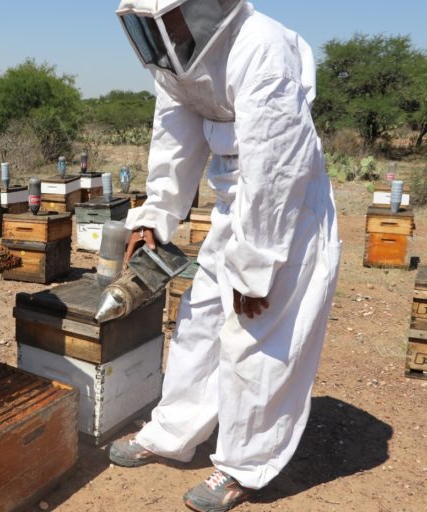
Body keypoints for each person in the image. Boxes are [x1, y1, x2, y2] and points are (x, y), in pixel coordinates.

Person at [110, 1, 341, 511]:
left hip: (287, 213)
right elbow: (174, 134)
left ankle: (243, 467)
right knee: (198, 320)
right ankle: (171, 432)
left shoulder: (262, 47)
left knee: (255, 337)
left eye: (171, 17)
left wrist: (257, 268)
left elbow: (276, 169)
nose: (166, 31)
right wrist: (157, 214)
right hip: (232, 201)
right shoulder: (176, 53)